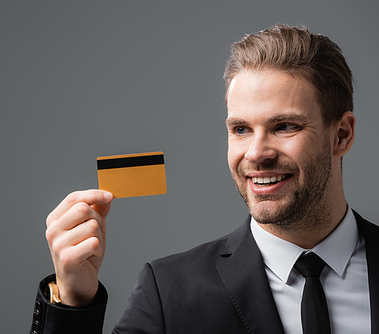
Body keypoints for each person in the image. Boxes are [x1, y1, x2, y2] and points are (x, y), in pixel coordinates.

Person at [30, 24, 379, 334]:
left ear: (342, 135)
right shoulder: (169, 293)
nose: (256, 153)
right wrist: (72, 303)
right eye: (241, 129)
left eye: (284, 126)